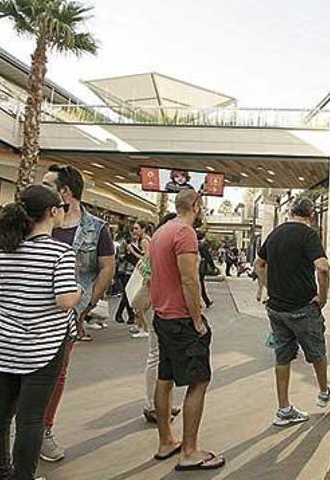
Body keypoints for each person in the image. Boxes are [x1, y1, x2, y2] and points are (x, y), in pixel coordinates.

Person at [0, 184, 81, 480]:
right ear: (52, 212)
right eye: (61, 208)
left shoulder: (1, 249)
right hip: (44, 347)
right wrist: (77, 290)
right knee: (31, 419)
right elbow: (64, 301)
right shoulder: (60, 252)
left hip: (5, 346)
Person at [149, 189, 225, 471]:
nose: (202, 210)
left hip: (163, 317)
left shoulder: (161, 232)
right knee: (199, 381)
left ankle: (166, 441)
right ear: (195, 205)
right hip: (181, 320)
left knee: (165, 377)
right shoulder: (185, 232)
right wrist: (197, 320)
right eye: (202, 205)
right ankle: (190, 451)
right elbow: (190, 280)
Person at [254, 196, 330, 426]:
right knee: (317, 352)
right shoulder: (308, 235)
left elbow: (258, 264)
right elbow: (323, 267)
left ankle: (284, 408)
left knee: (282, 356)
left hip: (276, 309)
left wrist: (270, 286)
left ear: (291, 212)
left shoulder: (275, 234)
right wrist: (322, 296)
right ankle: (323, 391)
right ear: (312, 216)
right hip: (302, 308)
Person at [139, 212, 182, 424]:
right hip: (157, 304)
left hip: (157, 304)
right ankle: (152, 405)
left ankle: (162, 403)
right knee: (156, 354)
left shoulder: (156, 242)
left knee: (163, 355)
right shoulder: (158, 245)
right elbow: (150, 277)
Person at [196, 231, 214, 308]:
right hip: (201, 267)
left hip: (195, 266)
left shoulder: (194, 244)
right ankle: (205, 301)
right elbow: (208, 256)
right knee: (201, 284)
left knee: (198, 284)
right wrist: (212, 266)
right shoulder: (202, 245)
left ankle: (204, 301)